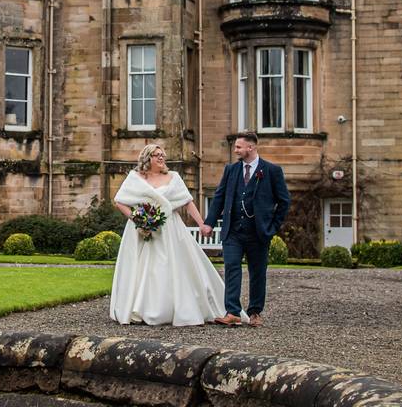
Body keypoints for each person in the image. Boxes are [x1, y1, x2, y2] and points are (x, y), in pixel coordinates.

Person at [109, 144, 226, 326]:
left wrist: (201, 223)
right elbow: (120, 202)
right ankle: (141, 307)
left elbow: (187, 202)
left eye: (162, 155)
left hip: (170, 228)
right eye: (157, 155)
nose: (161, 158)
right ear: (147, 158)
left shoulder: (174, 177)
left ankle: (176, 307)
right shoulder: (135, 178)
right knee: (144, 268)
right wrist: (138, 219)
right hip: (142, 231)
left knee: (172, 265)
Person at [203, 131, 290, 328]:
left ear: (250, 148)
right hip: (233, 231)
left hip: (259, 232)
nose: (235, 150)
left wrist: (272, 226)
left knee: (257, 272)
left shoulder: (272, 171)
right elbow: (219, 197)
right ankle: (232, 312)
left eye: (239, 147)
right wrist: (209, 222)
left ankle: (255, 312)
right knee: (232, 267)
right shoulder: (231, 170)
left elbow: (284, 202)